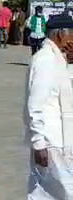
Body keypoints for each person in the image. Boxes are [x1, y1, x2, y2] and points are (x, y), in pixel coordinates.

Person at [24, 12, 73, 199]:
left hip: (61, 141)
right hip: (50, 141)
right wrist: (39, 143)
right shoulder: (45, 59)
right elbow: (35, 105)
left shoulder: (59, 59)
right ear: (61, 35)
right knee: (56, 192)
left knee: (52, 193)